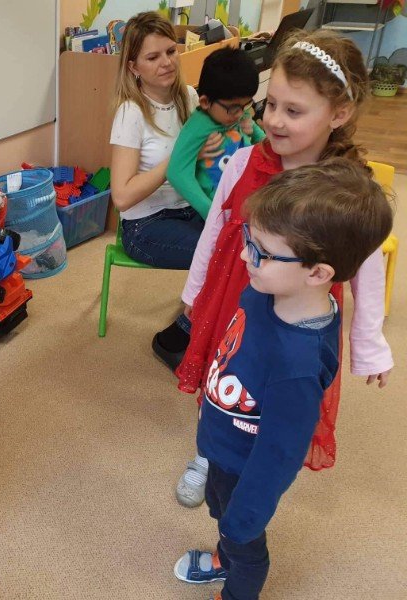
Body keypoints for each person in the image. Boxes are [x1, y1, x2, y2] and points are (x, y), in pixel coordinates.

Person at [173, 29, 393, 509]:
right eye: (270, 104)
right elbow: (215, 231)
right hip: (235, 293)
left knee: (271, 393)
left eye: (293, 111)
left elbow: (367, 268)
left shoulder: (346, 189)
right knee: (224, 377)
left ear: (339, 114)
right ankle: (208, 454)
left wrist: (369, 342)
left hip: (299, 312)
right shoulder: (243, 163)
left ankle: (253, 461)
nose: (272, 119)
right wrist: (194, 290)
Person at [173, 158, 393, 600]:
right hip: (223, 444)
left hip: (247, 464)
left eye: (260, 252)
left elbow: (279, 455)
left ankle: (236, 588)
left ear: (318, 273)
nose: (244, 256)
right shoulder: (266, 290)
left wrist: (248, 514)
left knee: (243, 539)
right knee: (221, 511)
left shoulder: (297, 366)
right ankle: (224, 555)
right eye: (248, 240)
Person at [154, 47, 265, 371]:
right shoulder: (199, 126)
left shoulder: (239, 115)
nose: (240, 113)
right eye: (233, 108)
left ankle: (225, 332)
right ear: (205, 102)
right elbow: (177, 172)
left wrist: (253, 129)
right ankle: (178, 336)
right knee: (222, 270)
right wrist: (213, 213)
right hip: (219, 216)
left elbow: (261, 147)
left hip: (242, 210)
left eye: (247, 105)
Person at [109, 12, 201, 270]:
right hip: (146, 223)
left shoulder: (189, 96)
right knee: (221, 253)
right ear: (133, 67)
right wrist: (178, 159)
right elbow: (122, 197)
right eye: (153, 57)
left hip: (191, 206)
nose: (167, 63)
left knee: (246, 238)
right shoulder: (131, 113)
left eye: (171, 51)